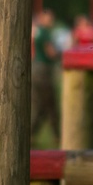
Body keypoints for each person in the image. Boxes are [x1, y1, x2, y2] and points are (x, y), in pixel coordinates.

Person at [30, 8, 60, 144]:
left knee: (40, 105)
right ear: (43, 18)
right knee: (51, 105)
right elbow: (51, 53)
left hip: (35, 69)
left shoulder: (37, 31)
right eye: (49, 18)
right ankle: (58, 136)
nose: (52, 20)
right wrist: (62, 54)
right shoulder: (45, 33)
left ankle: (30, 133)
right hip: (43, 71)